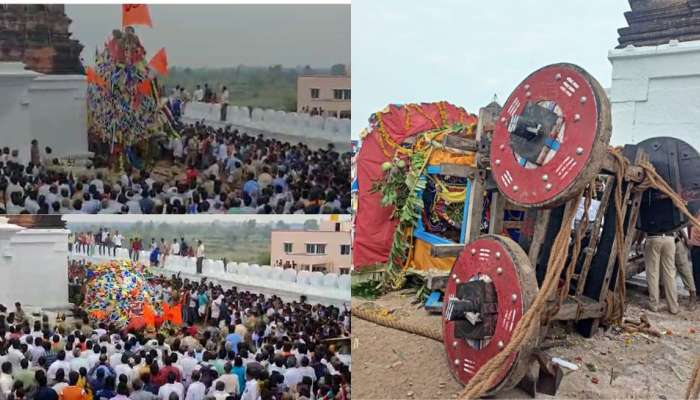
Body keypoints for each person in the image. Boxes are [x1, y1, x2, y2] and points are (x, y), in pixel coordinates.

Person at [644, 232, 679, 313]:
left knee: (653, 273)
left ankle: (654, 304)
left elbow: (641, 226)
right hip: (669, 239)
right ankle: (673, 307)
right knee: (670, 274)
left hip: (653, 237)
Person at [675, 229, 697, 310]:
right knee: (666, 271)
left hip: (675, 241)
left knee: (684, 269)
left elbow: (679, 226)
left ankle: (693, 295)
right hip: (662, 242)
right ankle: (661, 291)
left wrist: (686, 239)